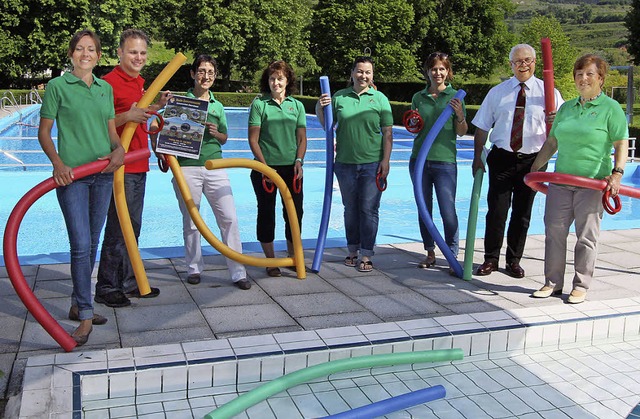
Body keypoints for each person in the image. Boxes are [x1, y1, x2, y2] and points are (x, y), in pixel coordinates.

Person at [38, 30, 125, 346]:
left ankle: (77, 304)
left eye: (91, 49)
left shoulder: (105, 90)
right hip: (72, 177)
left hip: (102, 175)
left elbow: (112, 133)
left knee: (92, 243)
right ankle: (86, 316)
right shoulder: (57, 87)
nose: (85, 54)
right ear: (71, 53)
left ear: (99, 55)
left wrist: (118, 151)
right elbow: (44, 133)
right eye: (79, 48)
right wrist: (58, 164)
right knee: (80, 244)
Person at [531, 54, 628, 303]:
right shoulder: (567, 108)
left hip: (592, 184)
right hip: (561, 181)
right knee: (554, 231)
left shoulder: (611, 108)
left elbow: (620, 143)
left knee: (586, 236)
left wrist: (616, 174)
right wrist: (534, 170)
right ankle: (552, 283)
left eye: (589, 74)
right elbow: (552, 142)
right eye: (579, 74)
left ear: (601, 79)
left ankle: (581, 284)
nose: (583, 79)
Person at [472, 44, 563, 278]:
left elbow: (562, 129)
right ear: (510, 64)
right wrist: (477, 157)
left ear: (535, 62)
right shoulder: (498, 92)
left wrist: (557, 119)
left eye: (528, 60)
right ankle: (491, 258)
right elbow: (482, 126)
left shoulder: (549, 93)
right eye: (518, 61)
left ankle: (514, 260)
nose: (523, 65)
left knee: (522, 214)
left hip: (533, 161)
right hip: (502, 158)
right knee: (497, 211)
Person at [95, 29, 171, 307]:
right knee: (118, 227)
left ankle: (129, 280)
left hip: (139, 163)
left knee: (133, 226)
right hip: (120, 165)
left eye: (142, 52)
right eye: (132, 52)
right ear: (119, 53)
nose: (138, 57)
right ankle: (106, 286)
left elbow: (139, 117)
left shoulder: (140, 82)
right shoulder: (107, 84)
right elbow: (98, 123)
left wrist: (156, 107)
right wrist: (128, 115)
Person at [160, 55, 250, 290]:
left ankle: (238, 271)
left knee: (229, 218)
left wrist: (215, 132)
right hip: (187, 167)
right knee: (191, 221)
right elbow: (161, 129)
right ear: (193, 74)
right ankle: (194, 268)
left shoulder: (218, 106)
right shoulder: (180, 102)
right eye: (201, 71)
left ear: (215, 75)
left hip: (215, 166)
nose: (206, 76)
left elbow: (224, 137)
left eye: (210, 72)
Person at [316, 56, 393, 273]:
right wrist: (320, 108)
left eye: (368, 72)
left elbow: (388, 133)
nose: (363, 76)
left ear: (372, 75)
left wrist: (385, 161)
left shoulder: (380, 99)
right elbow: (327, 127)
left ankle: (366, 253)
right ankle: (352, 249)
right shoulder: (339, 97)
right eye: (359, 71)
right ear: (352, 73)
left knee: (369, 209)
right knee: (350, 209)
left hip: (372, 164)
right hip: (345, 163)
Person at [248, 60, 307, 277]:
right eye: (272, 78)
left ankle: (293, 258)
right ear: (268, 80)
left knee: (294, 214)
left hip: (292, 170)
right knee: (266, 213)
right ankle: (271, 261)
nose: (276, 82)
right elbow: (253, 139)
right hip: (265, 169)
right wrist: (264, 167)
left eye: (280, 78)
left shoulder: (297, 106)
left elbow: (302, 139)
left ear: (287, 80)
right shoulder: (259, 104)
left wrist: (299, 161)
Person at [409, 52, 467, 270]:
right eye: (434, 69)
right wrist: (413, 122)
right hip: (419, 161)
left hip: (444, 162)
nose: (438, 73)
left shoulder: (455, 97)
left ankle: (451, 254)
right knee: (424, 208)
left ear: (448, 71)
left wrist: (460, 114)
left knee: (447, 209)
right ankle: (430, 252)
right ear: (428, 71)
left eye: (442, 68)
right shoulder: (418, 97)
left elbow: (461, 132)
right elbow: (414, 127)